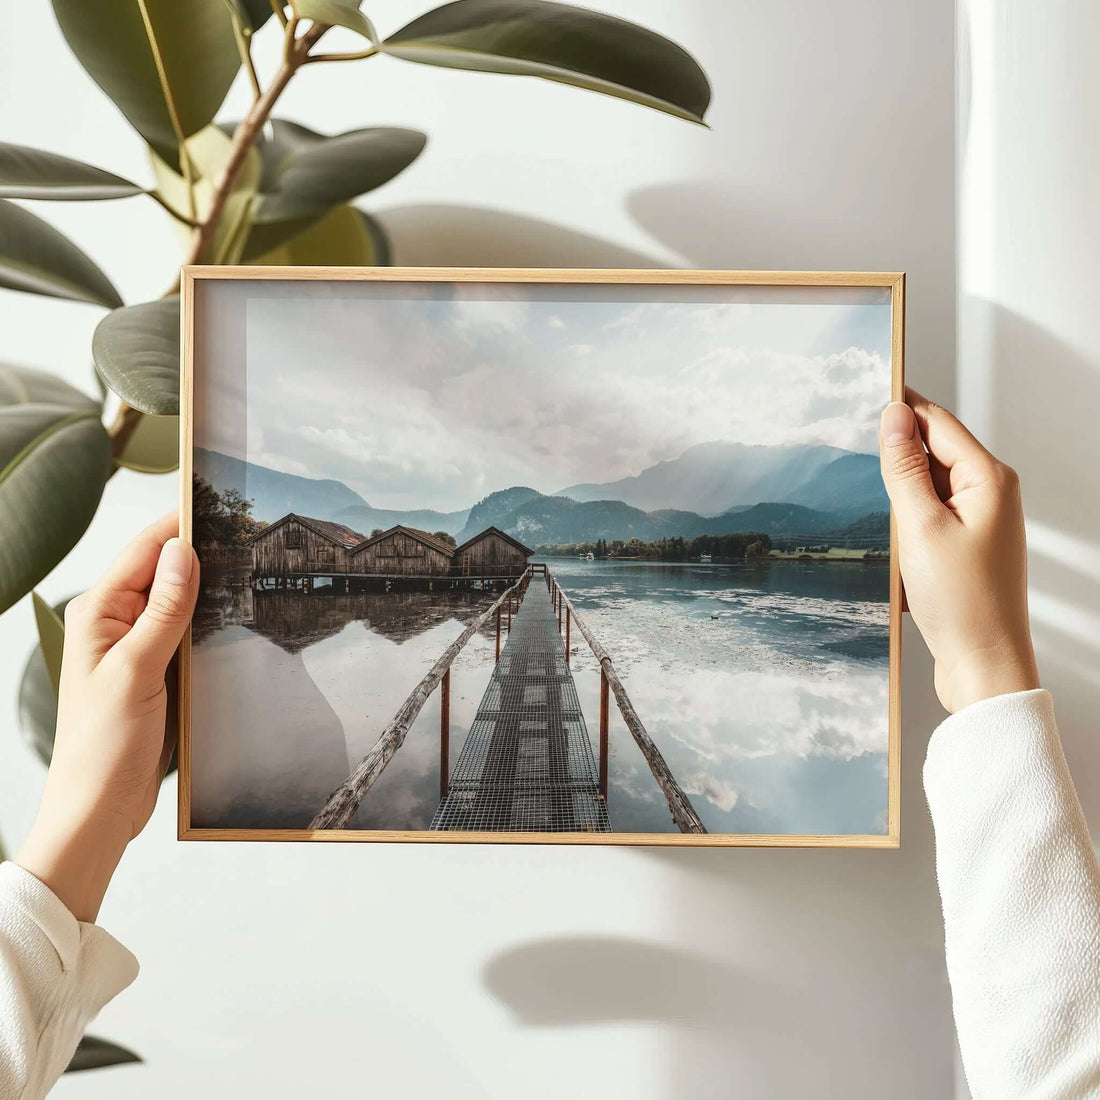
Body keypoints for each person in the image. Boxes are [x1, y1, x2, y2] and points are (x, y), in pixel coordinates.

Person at [0, 392, 1097, 1098]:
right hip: (530, 632)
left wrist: (76, 833)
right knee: (520, 682)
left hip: (507, 650)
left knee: (507, 685)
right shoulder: (492, 576)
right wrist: (988, 667)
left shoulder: (511, 585)